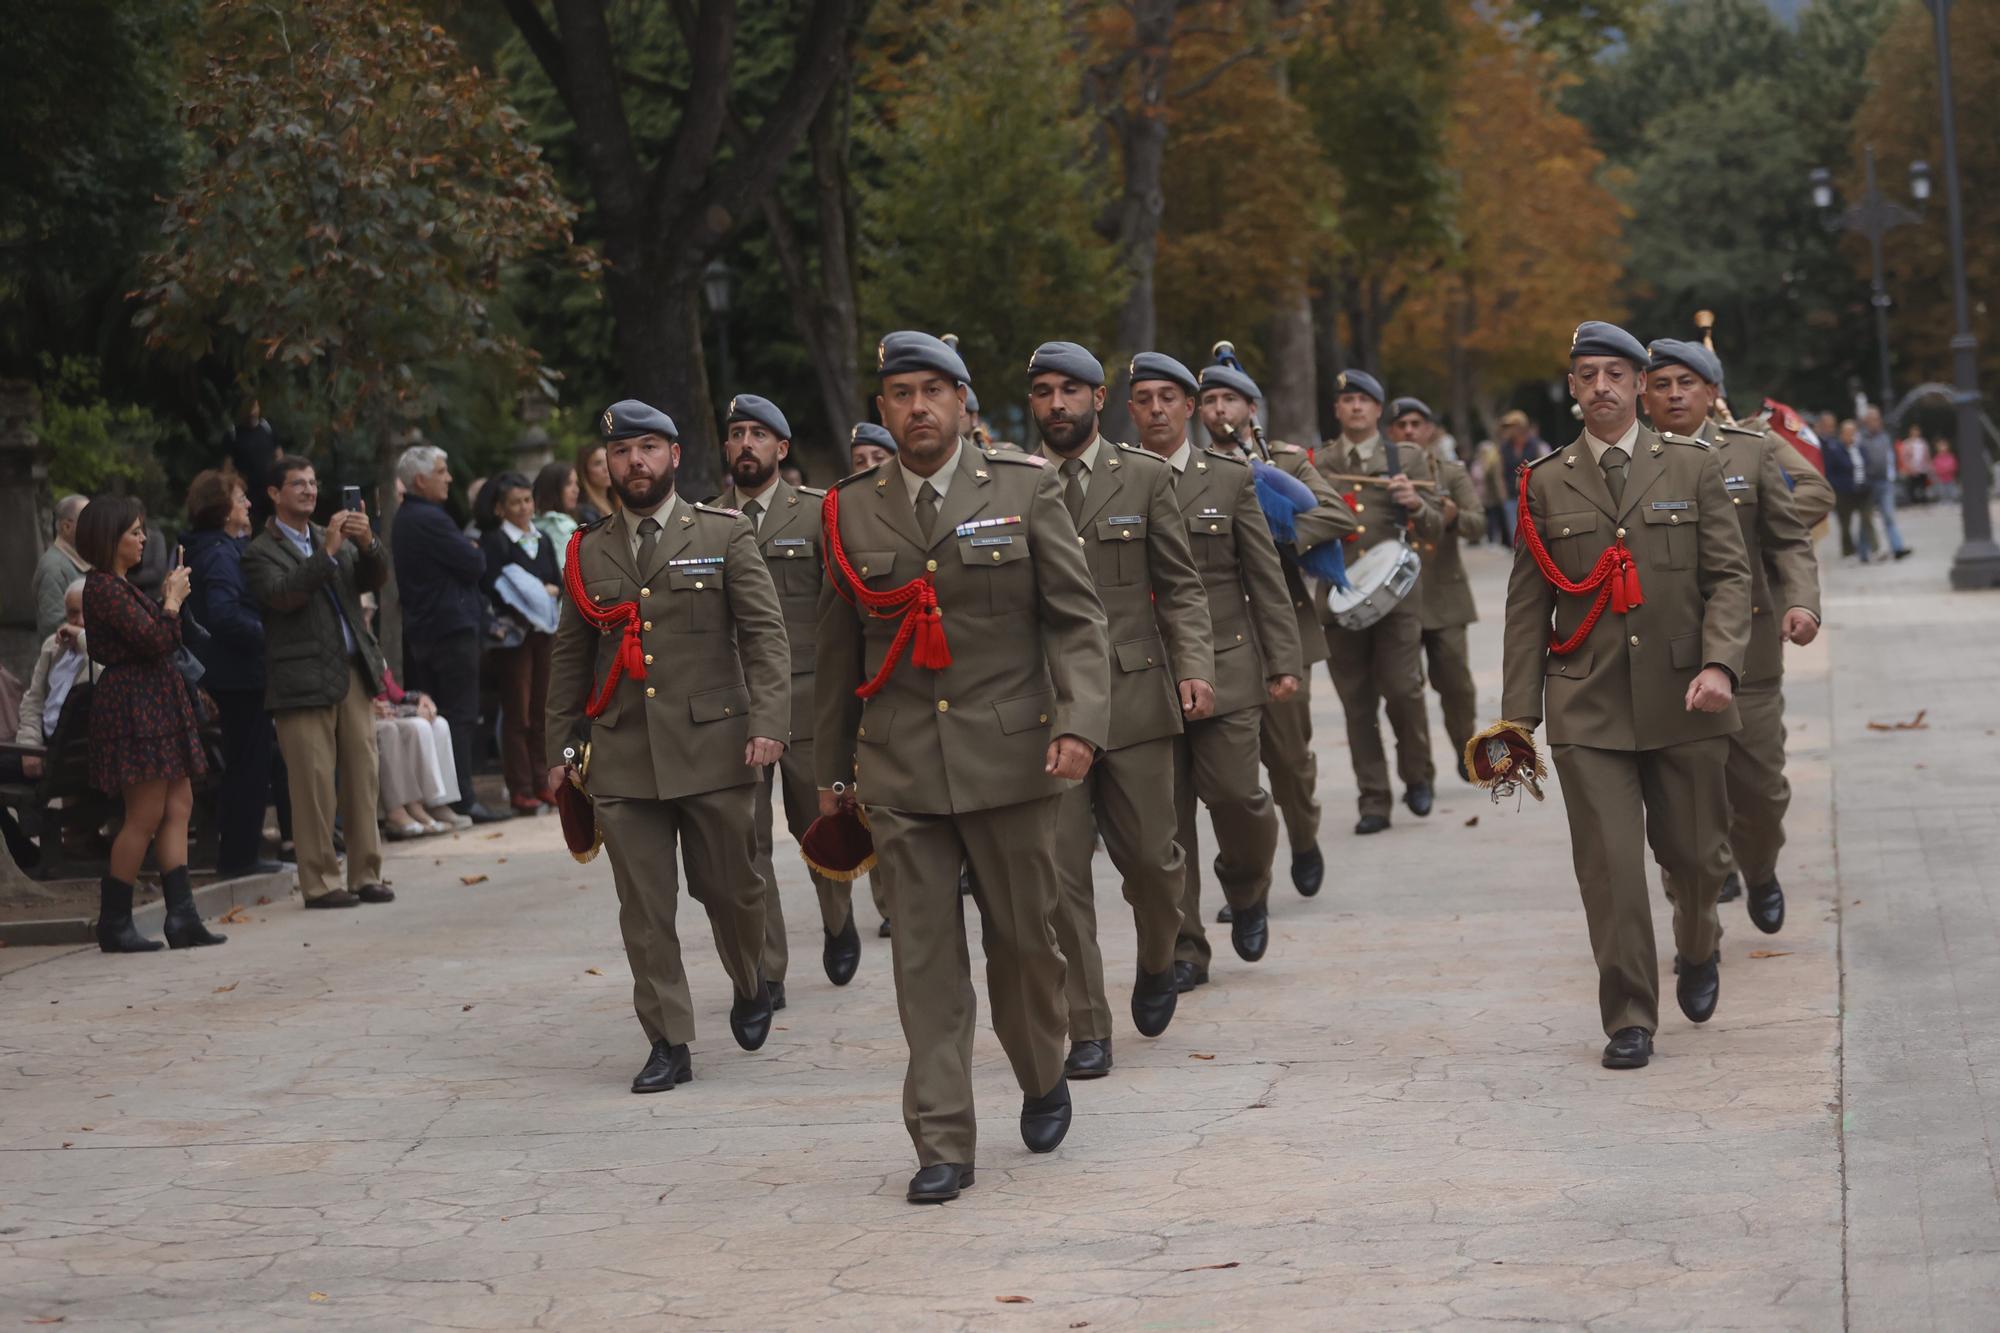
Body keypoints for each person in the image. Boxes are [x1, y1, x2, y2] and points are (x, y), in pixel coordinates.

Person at [816, 332, 1110, 1204]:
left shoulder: (1024, 489)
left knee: (1024, 945)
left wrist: (1081, 721)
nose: (916, 408)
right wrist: (829, 769)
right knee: (925, 961)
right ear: (882, 410)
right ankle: (942, 1135)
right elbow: (835, 655)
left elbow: (1075, 619)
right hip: (901, 768)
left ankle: (1041, 1068)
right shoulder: (849, 510)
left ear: (963, 403)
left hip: (1012, 757)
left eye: (932, 392)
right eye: (900, 394)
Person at [1501, 321, 1752, 1070]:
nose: (1603, 387)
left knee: (1698, 859)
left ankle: (1699, 941)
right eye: (1588, 375)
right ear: (1573, 389)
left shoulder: (1692, 465)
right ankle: (1630, 1015)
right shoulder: (1544, 480)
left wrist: (1722, 664)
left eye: (1617, 373)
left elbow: (1730, 578)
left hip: (1688, 696)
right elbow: (1526, 605)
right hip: (1588, 705)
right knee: (1609, 868)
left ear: (1640, 385)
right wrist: (1519, 718)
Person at [544, 400, 790, 1095]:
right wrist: (562, 754)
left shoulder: (722, 531)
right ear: (608, 464)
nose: (635, 463)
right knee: (645, 909)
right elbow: (571, 657)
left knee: (732, 890)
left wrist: (769, 720)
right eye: (622, 452)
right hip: (624, 755)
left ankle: (750, 980)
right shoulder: (588, 550)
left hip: (716, 749)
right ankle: (668, 1038)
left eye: (649, 448)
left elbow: (766, 634)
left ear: (675, 456)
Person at [1029, 341, 1214, 1081]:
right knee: (1061, 875)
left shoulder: (1140, 477)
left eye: (1071, 390)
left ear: (1099, 398)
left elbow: (1182, 584)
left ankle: (1158, 954)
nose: (1057, 404)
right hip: (1049, 709)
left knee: (1153, 864)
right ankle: (1087, 1026)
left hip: (1136, 698)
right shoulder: (1010, 484)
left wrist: (1194, 666)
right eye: (1043, 392)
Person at [1642, 339, 1828, 936]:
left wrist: (1801, 601)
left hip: (1750, 651)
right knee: (1682, 810)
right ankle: (1697, 929)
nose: (1675, 394)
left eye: (1688, 383)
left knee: (1762, 792)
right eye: (1663, 383)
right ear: (1644, 393)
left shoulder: (1749, 452)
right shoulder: (1631, 461)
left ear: (1712, 393)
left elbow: (1787, 539)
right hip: (1667, 660)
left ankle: (1760, 865)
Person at [1130, 353, 1301, 994]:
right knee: (1165, 824)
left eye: (1168, 398)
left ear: (1191, 407)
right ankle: (1184, 948)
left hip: (1227, 665)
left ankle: (1248, 884)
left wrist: (1282, 660)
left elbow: (1266, 577)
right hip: (1148, 672)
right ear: (1129, 410)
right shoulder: (1115, 482)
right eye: (1143, 399)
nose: (1155, 410)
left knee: (1237, 796)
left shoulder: (1228, 478)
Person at [712, 392, 885, 999]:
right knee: (746, 839)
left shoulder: (816, 513)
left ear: (781, 450)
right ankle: (767, 968)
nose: (745, 444)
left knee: (818, 824)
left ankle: (839, 921)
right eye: (736, 434)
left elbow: (845, 612)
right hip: (736, 705)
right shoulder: (706, 522)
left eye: (759, 434)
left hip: (809, 699)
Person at [1196, 350, 1354, 900]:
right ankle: (1250, 888)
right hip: (1219, 632)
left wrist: (1279, 529)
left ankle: (1305, 839)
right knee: (1232, 781)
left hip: (1280, 627)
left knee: (1288, 759)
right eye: (1210, 400)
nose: (1219, 409)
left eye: (1229, 399)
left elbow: (1336, 513)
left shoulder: (1282, 460)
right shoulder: (1189, 471)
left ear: (1251, 406)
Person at [75, 496, 227, 952]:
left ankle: (182, 917)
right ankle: (114, 921)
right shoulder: (101, 587)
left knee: (178, 804)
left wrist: (168, 603)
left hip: (155, 702)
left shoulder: (121, 585)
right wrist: (173, 601)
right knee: (143, 814)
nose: (143, 539)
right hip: (134, 707)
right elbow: (156, 639)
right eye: (134, 532)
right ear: (110, 538)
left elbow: (163, 641)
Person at [243, 456, 395, 910]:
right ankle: (321, 881)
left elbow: (376, 578)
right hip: (300, 678)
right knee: (312, 784)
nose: (309, 491)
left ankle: (367, 873)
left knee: (363, 776)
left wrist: (367, 544)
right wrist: (326, 554)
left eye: (313, 483)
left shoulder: (336, 537)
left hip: (352, 671)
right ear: (274, 493)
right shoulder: (258, 551)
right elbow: (283, 595)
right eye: (298, 484)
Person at [1312, 369, 1442, 833]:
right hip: (1339, 592)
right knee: (1357, 703)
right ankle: (1374, 799)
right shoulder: (1320, 461)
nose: (1356, 407)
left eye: (1365, 399)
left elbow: (1434, 528)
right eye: (1347, 399)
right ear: (1337, 409)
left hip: (1396, 597)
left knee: (1404, 690)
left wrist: (1416, 504)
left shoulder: (1405, 457)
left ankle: (1417, 774)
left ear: (1377, 409)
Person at [392, 444, 507, 824]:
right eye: (442, 471)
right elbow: (474, 561)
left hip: (427, 627)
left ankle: (445, 797)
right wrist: (470, 552)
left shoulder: (409, 516)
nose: (449, 478)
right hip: (448, 627)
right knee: (460, 714)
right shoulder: (429, 518)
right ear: (421, 479)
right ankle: (462, 797)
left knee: (442, 716)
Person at [182, 469, 284, 878]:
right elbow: (224, 615)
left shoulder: (201, 549)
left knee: (244, 762)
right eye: (241, 499)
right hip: (239, 677)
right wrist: (269, 635)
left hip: (222, 673)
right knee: (249, 763)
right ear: (224, 510)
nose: (248, 505)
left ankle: (239, 852)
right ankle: (241, 856)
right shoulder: (223, 554)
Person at [1391, 398, 1485, 781]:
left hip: (1444, 595)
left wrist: (1453, 517)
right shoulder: (1380, 475)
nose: (1409, 430)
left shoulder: (1449, 473)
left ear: (1430, 429)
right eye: (1401, 425)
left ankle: (1467, 750)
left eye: (1416, 423)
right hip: (1396, 599)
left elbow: (1477, 524)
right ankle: (1418, 774)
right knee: (1404, 692)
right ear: (1390, 433)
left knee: (1457, 685)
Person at [479, 471, 561, 816]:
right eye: (515, 502)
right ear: (500, 508)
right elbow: (492, 586)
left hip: (544, 632)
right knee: (519, 712)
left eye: (527, 500)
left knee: (543, 709)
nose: (524, 507)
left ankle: (544, 781)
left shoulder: (541, 538)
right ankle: (521, 787)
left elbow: (556, 579)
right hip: (514, 637)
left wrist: (547, 593)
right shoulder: (494, 542)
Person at [11, 579, 99, 776]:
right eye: (74, 613)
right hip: (42, 745)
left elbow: (103, 672)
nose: (81, 621)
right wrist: (29, 747)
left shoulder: (106, 651)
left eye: (88, 612)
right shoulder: (54, 646)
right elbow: (33, 701)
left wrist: (83, 637)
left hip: (75, 754)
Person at [372, 668, 461, 837]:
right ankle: (407, 809)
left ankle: (435, 802)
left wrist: (421, 699)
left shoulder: (371, 652)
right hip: (372, 714)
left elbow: (396, 694)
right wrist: (412, 711)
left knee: (439, 724)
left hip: (389, 711)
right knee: (415, 727)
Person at [34, 494, 90, 641]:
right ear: (67, 527)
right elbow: (54, 629)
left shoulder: (82, 561)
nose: (96, 527)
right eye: (89, 521)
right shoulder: (53, 568)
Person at [1857, 406, 1911, 560]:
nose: (1877, 422)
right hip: (1868, 484)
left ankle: (1897, 548)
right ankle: (1863, 552)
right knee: (1866, 519)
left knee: (1889, 516)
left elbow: (1890, 457)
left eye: (1878, 419)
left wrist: (1894, 473)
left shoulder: (1884, 437)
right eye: (1873, 419)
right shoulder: (1860, 438)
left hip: (1885, 483)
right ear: (1866, 422)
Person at [1824, 417, 1879, 560]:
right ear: (1842, 434)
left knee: (1867, 519)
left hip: (1863, 490)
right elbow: (1830, 473)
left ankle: (1874, 549)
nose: (1851, 436)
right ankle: (1848, 551)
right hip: (1845, 492)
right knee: (1845, 523)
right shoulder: (1835, 450)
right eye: (1848, 433)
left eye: (1853, 433)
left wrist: (1868, 481)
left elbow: (1868, 466)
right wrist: (1839, 486)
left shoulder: (1861, 448)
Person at [1496, 409, 1551, 541]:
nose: (1507, 430)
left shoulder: (1536, 445)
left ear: (1520, 427)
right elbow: (1499, 472)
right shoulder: (1504, 447)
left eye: (1510, 427)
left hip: (1533, 496)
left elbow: (1546, 468)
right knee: (1515, 535)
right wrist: (1502, 494)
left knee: (1535, 533)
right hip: (1511, 495)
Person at [228, 398, 283, 528]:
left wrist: (280, 477)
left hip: (269, 488)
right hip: (249, 491)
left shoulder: (267, 428)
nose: (252, 412)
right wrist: (235, 485)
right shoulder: (234, 434)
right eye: (249, 408)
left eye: (255, 407)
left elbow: (279, 456)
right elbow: (227, 467)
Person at [532, 461, 581, 571]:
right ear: (552, 488)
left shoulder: (531, 522)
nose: (576, 490)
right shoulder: (564, 527)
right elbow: (566, 573)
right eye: (568, 484)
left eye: (576, 483)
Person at [1474, 437, 1508, 546]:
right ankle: (1493, 539)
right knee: (1491, 518)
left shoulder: (1492, 463)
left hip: (1491, 496)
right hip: (1485, 496)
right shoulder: (1482, 464)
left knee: (1495, 518)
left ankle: (1497, 540)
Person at [574, 440, 615, 525]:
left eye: (608, 461)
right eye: (598, 463)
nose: (606, 468)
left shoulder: (614, 501)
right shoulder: (585, 511)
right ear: (584, 471)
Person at [1899, 422, 1932, 507]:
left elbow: (1927, 455)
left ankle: (1922, 500)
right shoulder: (1907, 443)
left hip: (1922, 468)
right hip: (1911, 468)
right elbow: (1904, 456)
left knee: (1922, 484)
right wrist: (1908, 467)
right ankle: (1912, 500)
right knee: (1912, 485)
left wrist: (1928, 467)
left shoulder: (1923, 443)